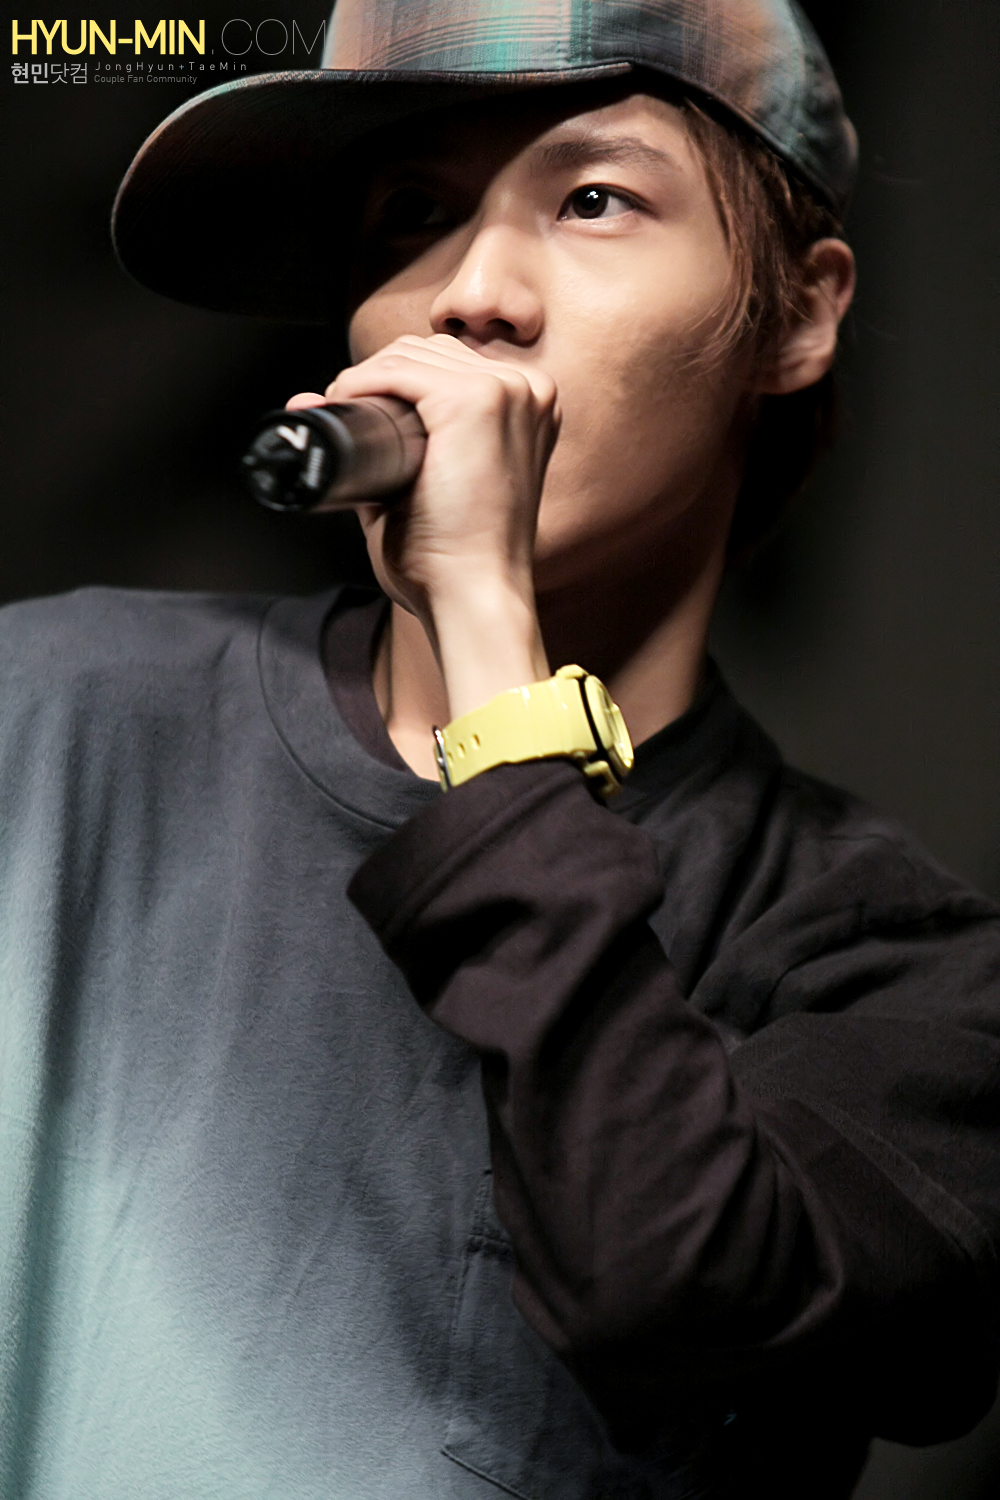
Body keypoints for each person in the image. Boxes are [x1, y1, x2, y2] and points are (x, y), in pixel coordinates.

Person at [2, 2, 998, 1497]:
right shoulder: (44, 712)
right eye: (412, 214)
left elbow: (681, 1291)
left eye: (592, 199)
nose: (470, 294)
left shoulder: (897, 963)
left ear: (798, 314)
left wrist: (484, 619)